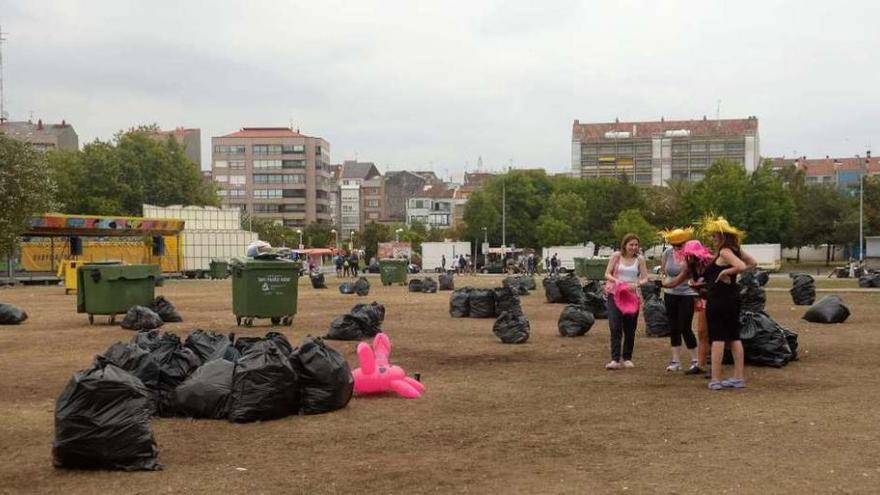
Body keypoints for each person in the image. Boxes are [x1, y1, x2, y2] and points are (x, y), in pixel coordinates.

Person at [693, 217, 757, 390]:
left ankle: (715, 378)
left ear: (721, 237)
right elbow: (753, 263)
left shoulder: (725, 252)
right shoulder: (737, 249)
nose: (713, 239)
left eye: (714, 237)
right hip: (732, 298)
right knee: (734, 337)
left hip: (719, 300)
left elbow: (742, 266)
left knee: (718, 339)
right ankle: (738, 377)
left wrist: (724, 273)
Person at [604, 233, 648, 370]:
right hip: (615, 294)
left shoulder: (640, 259)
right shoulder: (616, 256)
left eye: (636, 245)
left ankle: (627, 358)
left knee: (630, 328)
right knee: (615, 326)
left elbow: (645, 278)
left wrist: (637, 284)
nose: (634, 247)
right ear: (625, 245)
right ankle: (615, 359)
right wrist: (615, 280)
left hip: (631, 296)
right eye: (631, 244)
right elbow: (607, 273)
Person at [659, 228, 700, 374]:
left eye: (679, 244)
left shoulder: (690, 256)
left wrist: (665, 284)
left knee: (685, 326)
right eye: (674, 245)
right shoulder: (667, 253)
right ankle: (675, 360)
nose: (676, 247)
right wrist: (663, 279)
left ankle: (696, 360)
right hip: (670, 295)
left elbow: (682, 277)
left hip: (686, 294)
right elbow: (663, 271)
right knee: (673, 327)